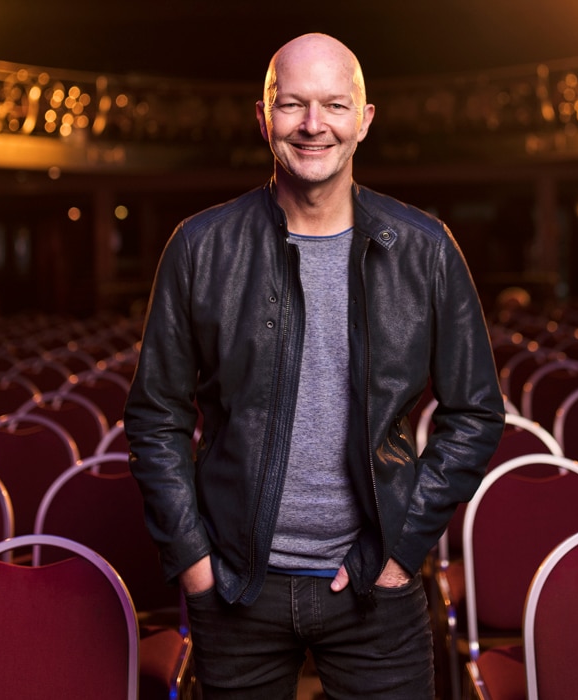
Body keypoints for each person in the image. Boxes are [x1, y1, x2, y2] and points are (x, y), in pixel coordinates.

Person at [124, 32, 504, 699]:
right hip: (237, 588)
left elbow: (474, 413)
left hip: (376, 594)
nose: (311, 125)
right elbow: (155, 418)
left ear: (363, 119)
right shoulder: (199, 247)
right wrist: (193, 564)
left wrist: (399, 552)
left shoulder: (425, 249)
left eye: (333, 104)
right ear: (262, 116)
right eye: (291, 104)